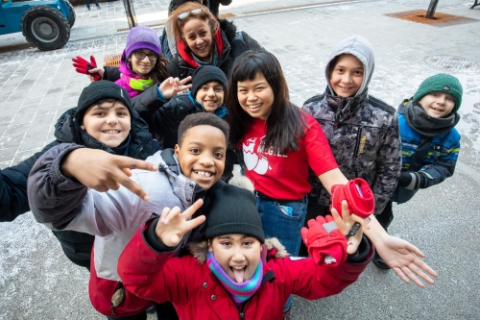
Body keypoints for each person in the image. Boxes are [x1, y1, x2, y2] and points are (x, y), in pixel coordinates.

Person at [225, 49, 437, 315]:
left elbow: (337, 183)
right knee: (251, 258)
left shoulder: (302, 125)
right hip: (249, 202)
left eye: (259, 88)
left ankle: (281, 309)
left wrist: (379, 236)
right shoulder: (241, 120)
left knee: (281, 270)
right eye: (243, 90)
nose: (251, 98)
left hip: (285, 211)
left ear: (276, 86)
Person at [28, 113, 230, 320]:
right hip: (121, 292)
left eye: (217, 154)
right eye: (196, 150)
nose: (207, 161)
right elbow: (58, 215)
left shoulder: (205, 189)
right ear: (177, 151)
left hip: (163, 284)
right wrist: (64, 167)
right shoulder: (142, 189)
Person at [117, 184, 373, 320]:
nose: (238, 256)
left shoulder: (278, 271)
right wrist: (154, 242)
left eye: (247, 243)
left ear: (262, 245)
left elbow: (325, 280)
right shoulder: (187, 274)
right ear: (210, 245)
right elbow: (136, 279)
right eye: (226, 243)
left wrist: (351, 252)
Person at [300, 35, 401, 255]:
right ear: (330, 71)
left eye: (357, 72)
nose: (346, 80)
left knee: (345, 248)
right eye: (340, 70)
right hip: (314, 197)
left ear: (367, 74)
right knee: (311, 241)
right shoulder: (311, 109)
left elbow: (389, 169)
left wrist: (372, 208)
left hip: (354, 205)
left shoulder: (383, 117)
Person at [49, 80, 161, 271]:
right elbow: (16, 187)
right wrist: (66, 169)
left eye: (121, 113)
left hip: (136, 241)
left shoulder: (147, 146)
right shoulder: (59, 155)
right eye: (100, 113)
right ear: (82, 123)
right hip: (87, 247)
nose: (112, 120)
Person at [373, 73, 463, 269]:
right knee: (365, 213)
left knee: (383, 215)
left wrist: (418, 179)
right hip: (374, 182)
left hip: (406, 183)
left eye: (449, 99)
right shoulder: (395, 121)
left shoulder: (451, 137)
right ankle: (351, 243)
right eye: (435, 95)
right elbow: (370, 149)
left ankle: (380, 245)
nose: (441, 102)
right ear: (420, 96)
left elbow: (445, 166)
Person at [166, 2, 261, 79]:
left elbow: (271, 73)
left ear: (212, 29)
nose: (199, 41)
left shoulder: (243, 44)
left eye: (203, 33)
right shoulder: (176, 69)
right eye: (192, 37)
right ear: (184, 39)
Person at [74, 26, 169, 98]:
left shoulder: (165, 79)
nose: (146, 60)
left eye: (152, 55)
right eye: (139, 53)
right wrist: (99, 86)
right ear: (129, 57)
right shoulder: (117, 90)